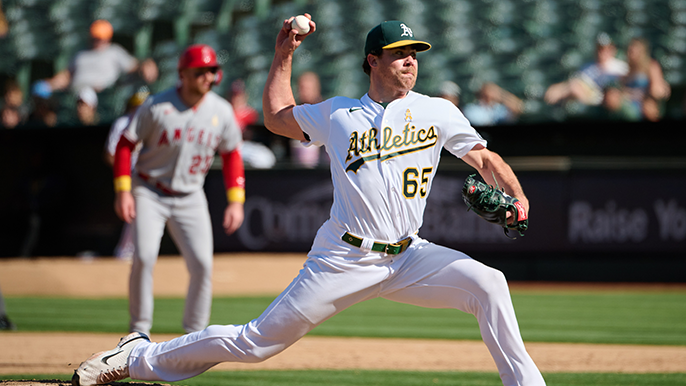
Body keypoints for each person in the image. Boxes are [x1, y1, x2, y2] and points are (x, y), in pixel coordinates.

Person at [72, 17, 546, 386]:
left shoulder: (437, 110)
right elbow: (278, 117)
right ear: (372, 61)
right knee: (256, 343)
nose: (410, 61)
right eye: (399, 53)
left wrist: (517, 196)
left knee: (489, 285)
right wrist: (284, 54)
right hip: (344, 256)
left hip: (409, 254)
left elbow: (484, 158)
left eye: (414, 53)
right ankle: (136, 358)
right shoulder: (339, 114)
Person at [108, 44, 245, 337]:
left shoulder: (221, 110)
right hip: (149, 190)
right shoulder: (157, 106)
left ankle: (194, 335)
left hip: (190, 195)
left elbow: (232, 154)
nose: (208, 77)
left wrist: (236, 201)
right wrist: (123, 190)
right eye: (201, 72)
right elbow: (124, 145)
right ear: (183, 74)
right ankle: (138, 331)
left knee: (202, 265)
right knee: (143, 257)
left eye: (212, 71)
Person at [39, 19, 158, 95]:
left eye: (100, 38)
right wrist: (50, 85)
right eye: (95, 38)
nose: (97, 41)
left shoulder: (114, 51)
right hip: (76, 94)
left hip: (102, 95)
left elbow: (134, 66)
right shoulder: (81, 53)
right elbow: (67, 76)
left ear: (107, 38)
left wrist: (146, 65)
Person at [104, 87, 150, 260]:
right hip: (128, 175)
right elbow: (109, 154)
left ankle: (130, 250)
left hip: (147, 174)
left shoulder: (151, 123)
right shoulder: (122, 123)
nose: (140, 108)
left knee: (142, 212)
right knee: (133, 211)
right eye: (138, 104)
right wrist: (123, 170)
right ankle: (125, 250)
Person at [544, 32, 628, 106]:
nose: (601, 52)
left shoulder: (620, 67)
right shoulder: (588, 66)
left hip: (606, 100)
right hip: (588, 97)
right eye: (599, 49)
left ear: (612, 49)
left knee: (573, 87)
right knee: (561, 88)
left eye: (605, 49)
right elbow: (576, 81)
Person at [227, 79, 276, 169]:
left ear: (244, 96)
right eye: (234, 95)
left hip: (248, 145)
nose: (236, 98)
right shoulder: (226, 111)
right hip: (231, 146)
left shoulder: (250, 113)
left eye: (238, 95)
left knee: (266, 157)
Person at [289, 70, 323, 168]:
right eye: (301, 88)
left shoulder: (324, 109)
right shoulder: (294, 109)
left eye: (306, 88)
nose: (303, 91)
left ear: (316, 88)